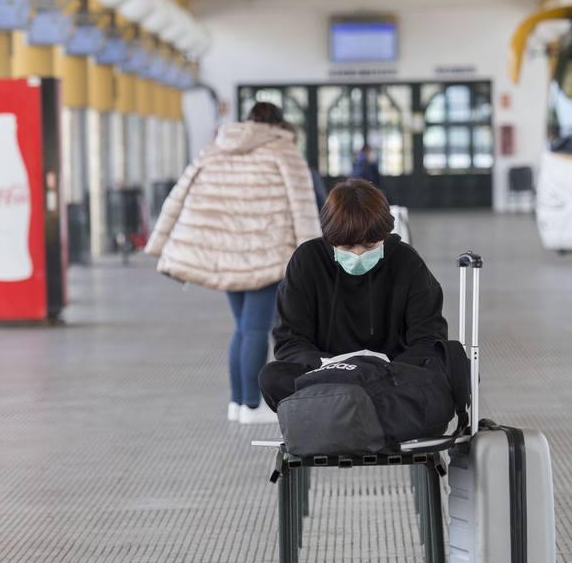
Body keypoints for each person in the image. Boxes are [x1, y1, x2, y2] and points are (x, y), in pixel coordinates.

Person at [146, 101, 321, 424]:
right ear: (281, 125)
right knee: (256, 330)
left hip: (223, 256)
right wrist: (311, 257)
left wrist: (159, 243)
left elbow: (178, 197)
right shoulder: (284, 152)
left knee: (242, 328)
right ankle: (253, 406)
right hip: (267, 254)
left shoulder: (215, 150)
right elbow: (303, 207)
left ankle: (238, 402)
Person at [259, 179, 447, 410]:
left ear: (385, 235)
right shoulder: (307, 261)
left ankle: (340, 419)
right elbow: (290, 341)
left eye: (369, 246)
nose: (358, 254)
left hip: (389, 379)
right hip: (325, 378)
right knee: (272, 376)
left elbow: (429, 338)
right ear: (330, 239)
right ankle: (364, 419)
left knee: (448, 371)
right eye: (348, 248)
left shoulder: (407, 262)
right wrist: (330, 366)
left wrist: (386, 369)